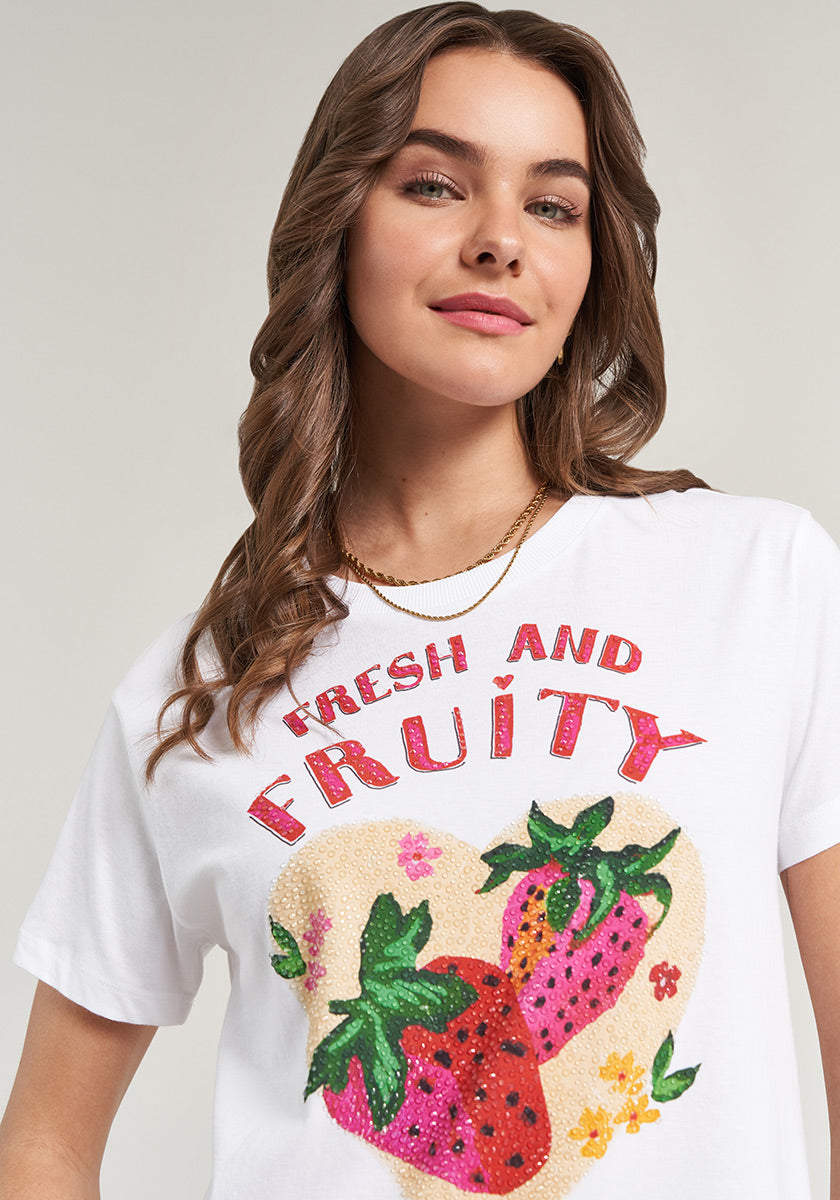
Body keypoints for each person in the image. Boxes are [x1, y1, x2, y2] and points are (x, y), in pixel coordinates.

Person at [1, 2, 838, 1197]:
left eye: (553, 205)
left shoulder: (758, 583)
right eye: (437, 185)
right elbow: (42, 1143)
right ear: (339, 221)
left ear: (591, 266)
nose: (502, 241)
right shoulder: (198, 693)